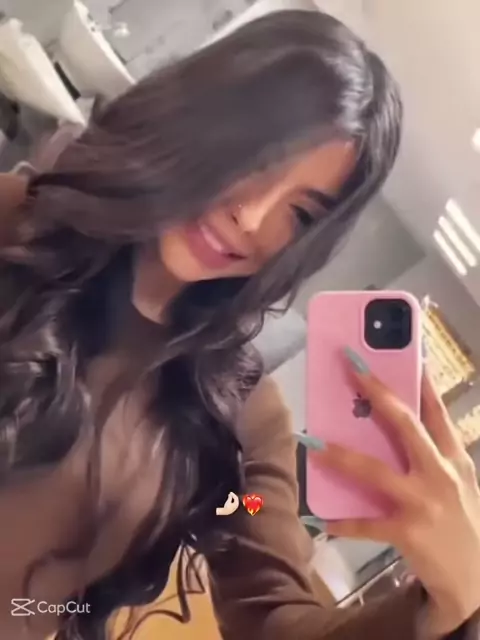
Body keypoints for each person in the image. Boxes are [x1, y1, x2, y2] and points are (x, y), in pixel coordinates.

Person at [0, 8, 478, 640]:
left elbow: (270, 605)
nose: (252, 219)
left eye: (299, 214)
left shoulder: (234, 415)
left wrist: (450, 605)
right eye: (258, 162)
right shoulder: (17, 225)